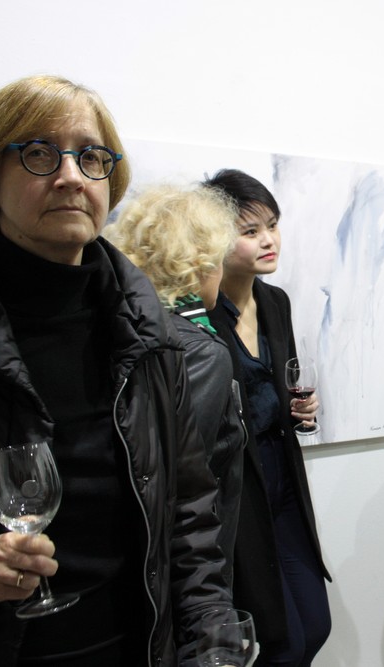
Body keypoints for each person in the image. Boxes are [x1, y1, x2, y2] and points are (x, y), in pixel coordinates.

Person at [0, 75, 232, 666]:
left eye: (93, 157)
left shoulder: (152, 340)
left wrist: (211, 640)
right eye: (39, 153)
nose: (73, 176)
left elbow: (188, 515)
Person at [204, 169, 331, 667]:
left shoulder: (275, 301)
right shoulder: (199, 311)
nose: (268, 240)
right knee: (280, 642)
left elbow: (281, 384)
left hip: (283, 476)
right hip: (237, 487)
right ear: (216, 236)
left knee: (316, 626)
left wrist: (300, 410)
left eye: (273, 225)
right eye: (250, 230)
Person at [104, 183, 247, 588]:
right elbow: (180, 481)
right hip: (182, 568)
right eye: (219, 261)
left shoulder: (125, 326)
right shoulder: (200, 351)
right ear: (201, 265)